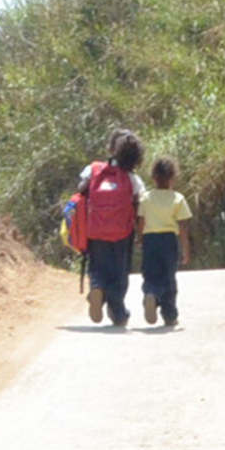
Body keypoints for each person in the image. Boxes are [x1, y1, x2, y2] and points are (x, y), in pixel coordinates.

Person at [77, 129, 148, 326]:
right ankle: (118, 312)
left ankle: (97, 288)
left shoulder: (94, 170)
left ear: (111, 149)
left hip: (96, 230)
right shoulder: (132, 178)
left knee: (98, 266)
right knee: (119, 271)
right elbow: (140, 201)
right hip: (122, 233)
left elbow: (81, 189)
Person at [137, 157, 192, 327]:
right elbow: (183, 227)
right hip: (169, 241)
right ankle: (169, 315)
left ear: (153, 178)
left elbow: (140, 221)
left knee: (150, 273)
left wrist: (140, 239)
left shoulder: (145, 198)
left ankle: (150, 294)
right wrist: (185, 249)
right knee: (168, 278)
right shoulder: (178, 198)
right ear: (173, 178)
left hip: (150, 240)